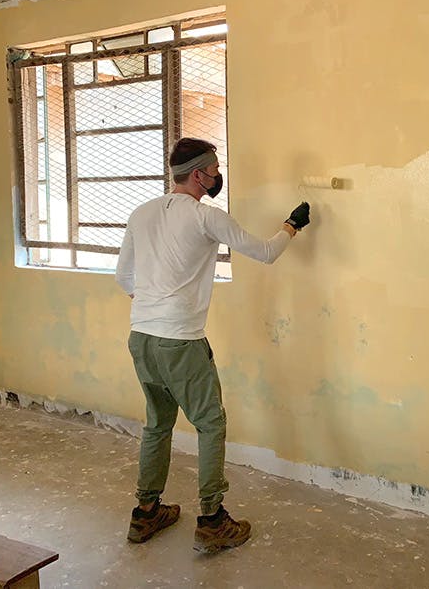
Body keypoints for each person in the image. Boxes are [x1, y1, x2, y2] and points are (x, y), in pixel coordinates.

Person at [115, 137, 310, 553]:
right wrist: (291, 225)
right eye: (215, 169)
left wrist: (155, 306)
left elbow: (124, 279)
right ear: (200, 174)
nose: (218, 175)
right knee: (210, 424)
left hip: (141, 338)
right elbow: (266, 252)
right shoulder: (206, 217)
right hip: (180, 342)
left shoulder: (142, 212)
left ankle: (146, 512)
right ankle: (212, 519)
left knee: (157, 424)